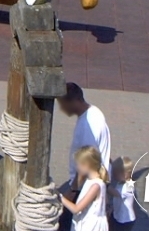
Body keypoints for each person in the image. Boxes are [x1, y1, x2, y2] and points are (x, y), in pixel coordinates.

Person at [57, 82, 111, 227]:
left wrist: (72, 190)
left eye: (62, 104)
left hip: (83, 186)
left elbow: (86, 163)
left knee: (63, 223)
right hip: (92, 181)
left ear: (74, 101)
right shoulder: (95, 112)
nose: (61, 109)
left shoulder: (87, 126)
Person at [60, 146, 109, 231]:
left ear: (86, 165)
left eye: (78, 164)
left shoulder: (95, 186)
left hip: (91, 226)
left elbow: (76, 209)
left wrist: (60, 197)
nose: (77, 167)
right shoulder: (90, 180)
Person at [108, 157, 136, 230]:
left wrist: (105, 184)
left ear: (125, 174)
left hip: (126, 220)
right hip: (117, 215)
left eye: (115, 174)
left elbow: (115, 193)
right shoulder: (120, 182)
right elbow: (118, 199)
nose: (113, 176)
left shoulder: (129, 187)